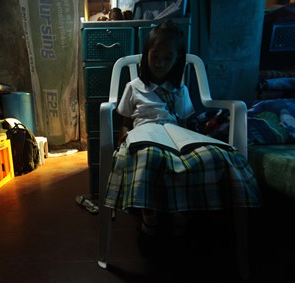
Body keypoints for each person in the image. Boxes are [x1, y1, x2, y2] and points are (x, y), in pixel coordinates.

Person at [104, 20, 261, 255]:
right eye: (155, 56)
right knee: (148, 158)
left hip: (174, 133)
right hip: (145, 132)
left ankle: (181, 222)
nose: (159, 63)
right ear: (146, 54)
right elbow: (126, 119)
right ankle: (150, 223)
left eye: (168, 58)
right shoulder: (134, 87)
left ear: (177, 59)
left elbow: (185, 121)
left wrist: (191, 139)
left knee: (200, 159)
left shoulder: (180, 89)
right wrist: (123, 134)